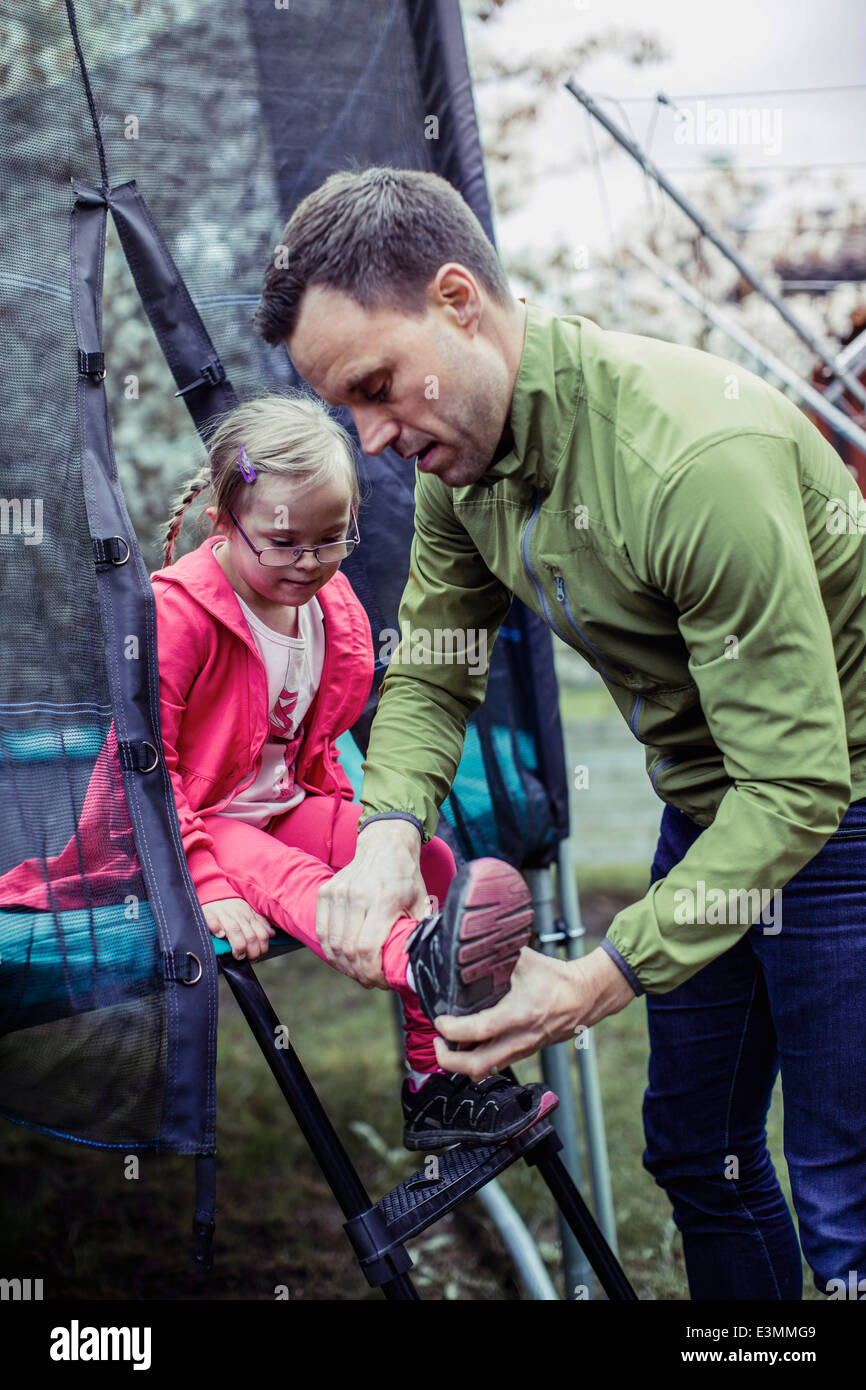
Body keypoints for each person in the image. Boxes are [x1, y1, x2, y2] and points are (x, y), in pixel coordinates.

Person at [252, 165, 866, 1300]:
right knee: (697, 1153)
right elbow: (435, 672)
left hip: (841, 801)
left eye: (378, 387)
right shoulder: (463, 468)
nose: (372, 438)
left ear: (457, 301)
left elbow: (796, 789)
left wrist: (597, 975)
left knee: (848, 1200)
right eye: (348, 408)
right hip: (714, 802)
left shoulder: (686, 467)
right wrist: (386, 830)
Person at [151, 391, 555, 1149]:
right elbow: (144, 767)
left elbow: (318, 742)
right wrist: (200, 882)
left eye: (330, 540)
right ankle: (426, 961)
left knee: (425, 861)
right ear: (223, 524)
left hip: (277, 805)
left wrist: (355, 834)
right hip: (193, 827)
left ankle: (436, 1084)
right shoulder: (177, 615)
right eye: (282, 542)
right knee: (292, 880)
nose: (308, 561)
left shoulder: (330, 607)